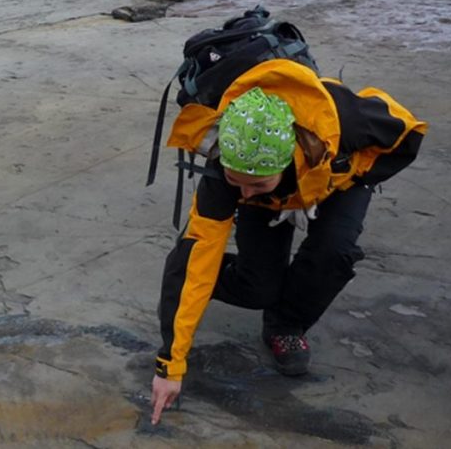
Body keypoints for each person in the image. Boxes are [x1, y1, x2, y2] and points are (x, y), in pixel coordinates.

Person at [150, 58, 427, 425]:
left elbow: (409, 131)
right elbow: (205, 245)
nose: (244, 193)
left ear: (287, 159)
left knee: (335, 252)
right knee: (251, 285)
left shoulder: (350, 121)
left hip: (335, 176)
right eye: (237, 181)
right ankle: (195, 280)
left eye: (256, 183)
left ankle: (286, 324)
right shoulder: (225, 174)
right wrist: (171, 365)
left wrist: (352, 177)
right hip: (279, 190)